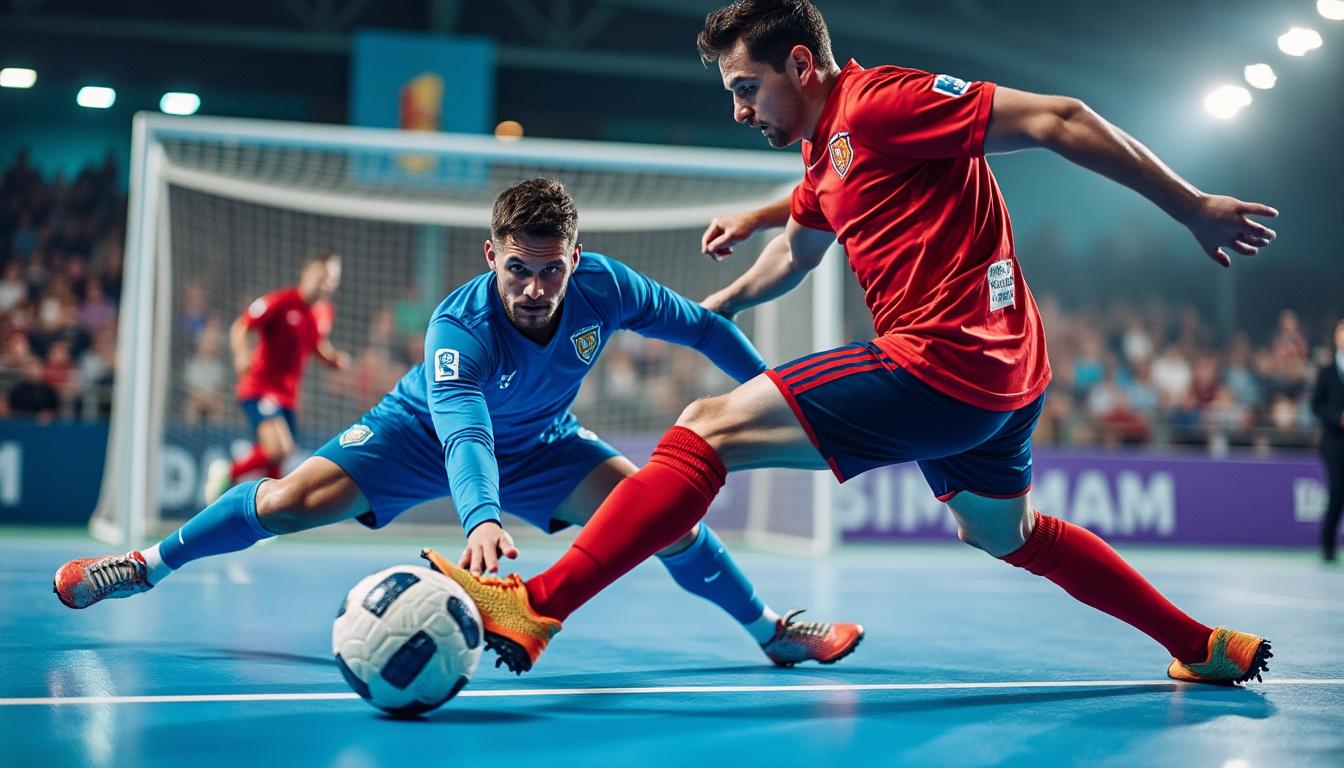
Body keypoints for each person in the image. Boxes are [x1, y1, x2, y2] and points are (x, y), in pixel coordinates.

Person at [422, 0, 1277, 685]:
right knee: (1004, 533)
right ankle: (1200, 644)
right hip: (1008, 378)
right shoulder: (823, 154)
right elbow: (797, 251)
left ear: (802, 64)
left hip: (943, 361)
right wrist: (730, 296)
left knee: (705, 428)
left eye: (746, 87)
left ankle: (538, 603)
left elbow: (1061, 116)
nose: (738, 108)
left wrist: (1191, 206)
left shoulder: (882, 105)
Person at [52, 178, 863, 668]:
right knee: (288, 502)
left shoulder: (607, 287)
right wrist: (481, 517)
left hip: (543, 444)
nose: (536, 288)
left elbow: (704, 329)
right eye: (519, 269)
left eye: (552, 270)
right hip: (416, 434)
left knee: (668, 516)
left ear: (576, 258)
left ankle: (771, 631)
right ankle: (147, 563)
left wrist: (776, 396)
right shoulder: (459, 327)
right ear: (490, 256)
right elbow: (464, 432)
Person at [200, 252, 351, 502]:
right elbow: (241, 326)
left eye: (332, 279)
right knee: (280, 448)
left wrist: (332, 359)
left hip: (288, 396)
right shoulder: (280, 302)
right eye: (321, 276)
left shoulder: (324, 313)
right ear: (305, 274)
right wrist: (242, 354)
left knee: (277, 461)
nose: (326, 283)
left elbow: (315, 344)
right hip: (260, 388)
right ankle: (228, 472)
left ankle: (268, 512)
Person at [1311, 319, 1344, 562]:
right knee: (1337, 491)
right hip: (1334, 443)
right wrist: (1336, 417)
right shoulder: (1327, 372)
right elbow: (1315, 405)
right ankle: (1328, 546)